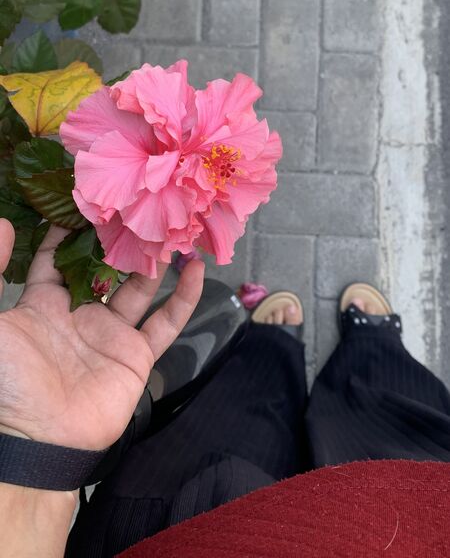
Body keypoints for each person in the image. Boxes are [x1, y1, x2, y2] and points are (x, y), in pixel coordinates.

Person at [1, 218, 450, 558]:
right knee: (395, 423)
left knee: (222, 422)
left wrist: (33, 458)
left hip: (174, 526)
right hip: (413, 514)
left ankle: (270, 352)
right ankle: (369, 353)